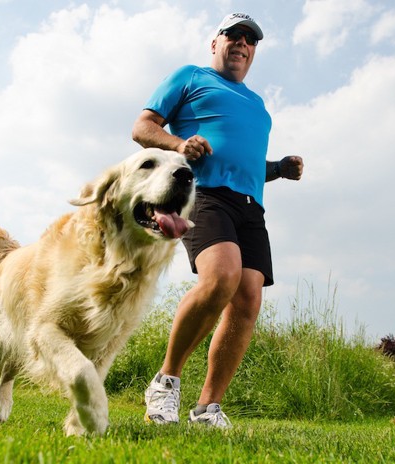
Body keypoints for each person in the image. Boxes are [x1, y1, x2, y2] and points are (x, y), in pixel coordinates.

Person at [131, 12, 304, 428]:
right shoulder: (190, 77)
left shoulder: (259, 106)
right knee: (221, 278)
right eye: (234, 35)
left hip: (251, 206)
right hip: (204, 194)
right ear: (216, 43)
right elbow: (142, 126)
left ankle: (207, 409)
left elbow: (244, 163)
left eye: (250, 40)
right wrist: (178, 143)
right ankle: (165, 382)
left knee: (247, 299)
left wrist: (279, 167)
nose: (242, 43)